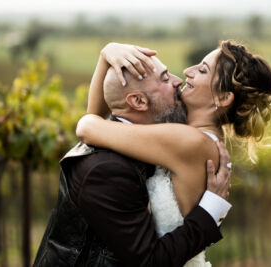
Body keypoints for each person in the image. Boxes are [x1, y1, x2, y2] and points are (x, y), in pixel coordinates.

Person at [76, 40, 271, 266]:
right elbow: (106, 125)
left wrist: (106, 54)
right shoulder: (191, 134)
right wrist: (106, 55)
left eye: (202, 70)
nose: (186, 73)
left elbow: (89, 127)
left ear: (222, 98)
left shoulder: (189, 142)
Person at [33, 43, 233, 267]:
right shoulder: (107, 170)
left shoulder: (143, 137)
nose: (179, 80)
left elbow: (93, 119)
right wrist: (211, 210)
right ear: (138, 101)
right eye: (166, 78)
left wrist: (106, 54)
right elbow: (149, 262)